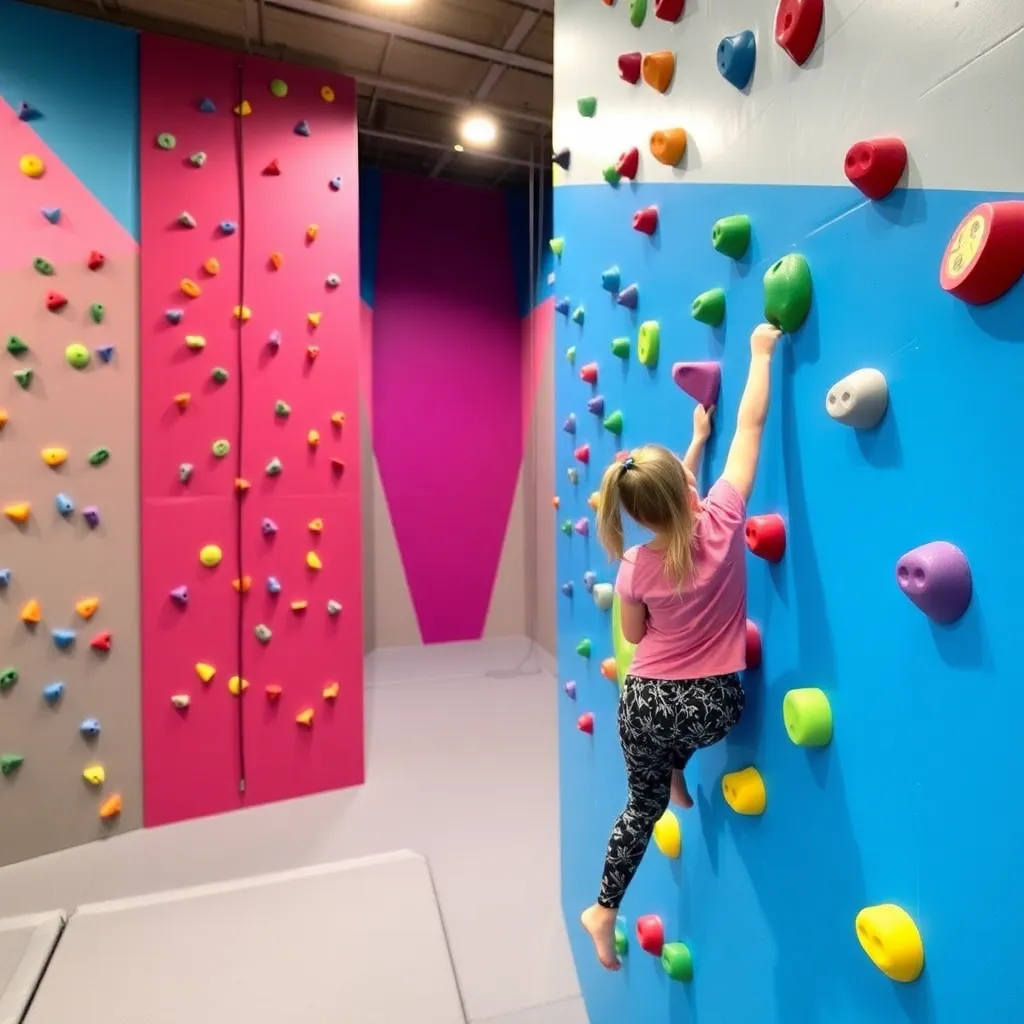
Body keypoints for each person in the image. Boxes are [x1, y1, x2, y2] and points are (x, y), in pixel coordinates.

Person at [580, 322, 783, 970]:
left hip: (644, 702)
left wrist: (694, 442)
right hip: (709, 706)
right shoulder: (723, 519)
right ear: (690, 491)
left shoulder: (634, 565)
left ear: (637, 516)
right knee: (720, 711)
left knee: (639, 809)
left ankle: (603, 907)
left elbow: (634, 637)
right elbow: (749, 426)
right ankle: (677, 765)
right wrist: (759, 353)